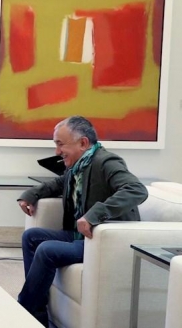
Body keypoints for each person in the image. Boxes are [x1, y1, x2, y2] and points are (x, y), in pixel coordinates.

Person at [17, 115, 148, 326]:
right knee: (31, 237)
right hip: (80, 237)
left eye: (60, 144)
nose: (56, 151)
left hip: (102, 242)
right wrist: (32, 194)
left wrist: (95, 214)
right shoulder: (77, 165)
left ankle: (23, 309)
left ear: (83, 143)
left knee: (47, 249)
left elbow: (136, 190)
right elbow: (60, 183)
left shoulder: (105, 161)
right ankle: (37, 315)